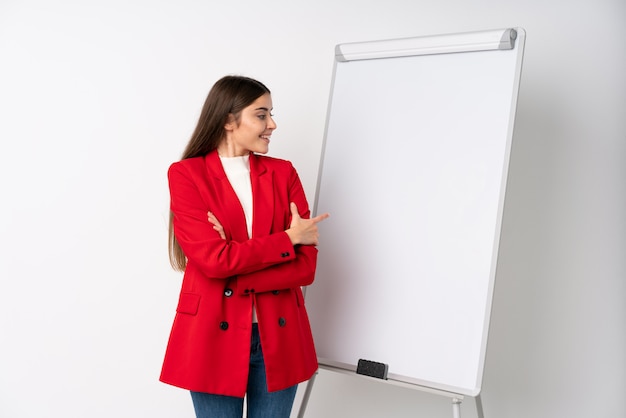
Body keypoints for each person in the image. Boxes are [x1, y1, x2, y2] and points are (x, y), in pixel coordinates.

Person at [160, 75, 329, 418]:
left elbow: (305, 269)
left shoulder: (283, 174)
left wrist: (235, 261)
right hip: (211, 335)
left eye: (271, 114)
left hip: (279, 335)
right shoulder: (186, 174)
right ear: (227, 120)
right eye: (262, 114)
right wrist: (288, 240)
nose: (272, 124)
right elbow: (213, 262)